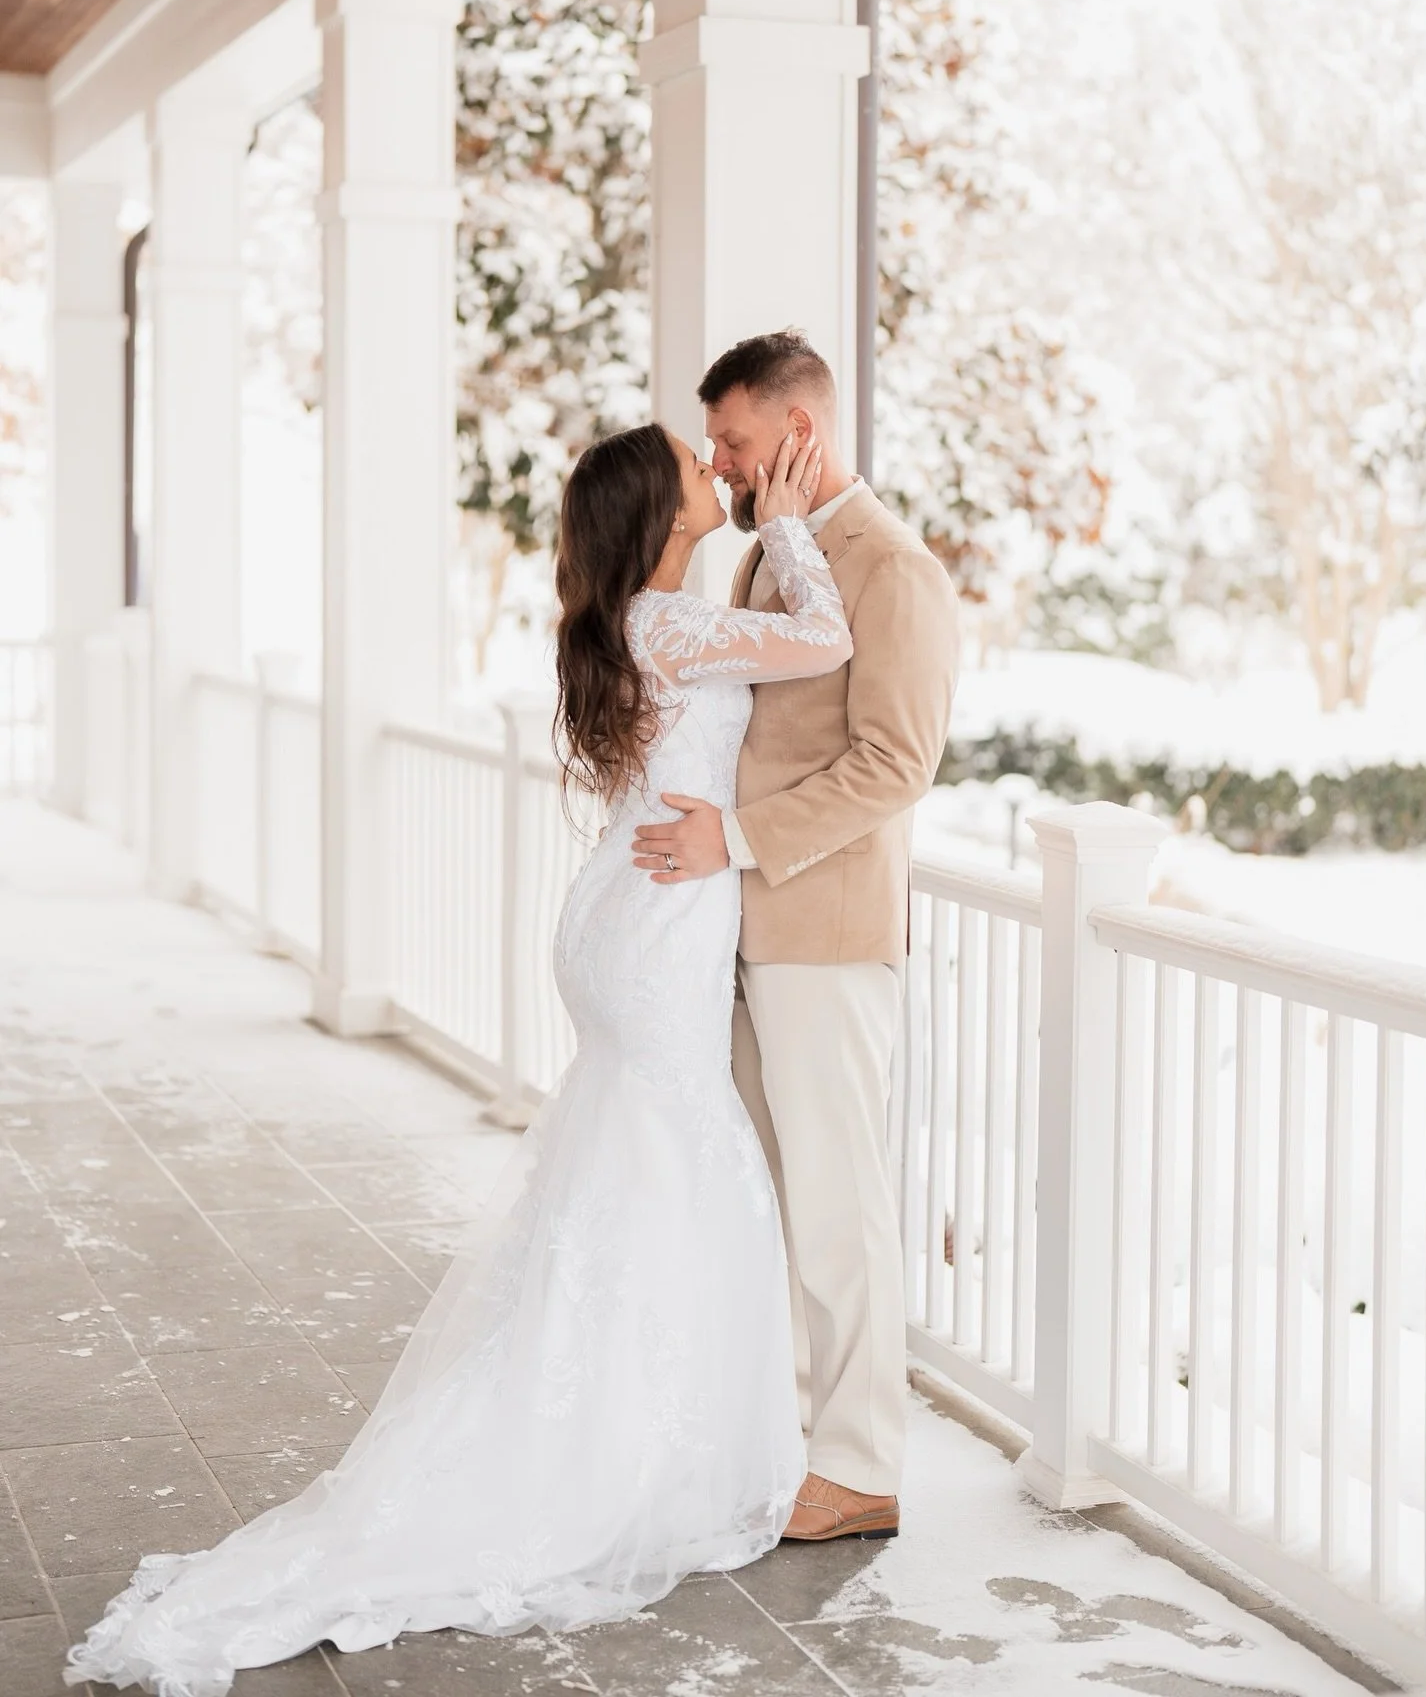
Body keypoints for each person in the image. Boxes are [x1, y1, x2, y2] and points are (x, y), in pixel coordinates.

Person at [65, 421, 851, 1697]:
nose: (715, 467)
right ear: (660, 512)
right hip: (658, 926)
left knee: (636, 1175)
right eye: (694, 462)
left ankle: (620, 1421)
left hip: (631, 913)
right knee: (677, 1168)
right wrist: (797, 523)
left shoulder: (647, 619)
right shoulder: (667, 621)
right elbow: (826, 641)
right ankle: (616, 1448)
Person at [632, 331, 962, 1543]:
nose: (718, 462)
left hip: (823, 931)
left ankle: (862, 1465)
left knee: (837, 1204)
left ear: (799, 432)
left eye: (733, 440)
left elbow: (895, 765)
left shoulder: (894, 570)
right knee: (770, 1199)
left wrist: (735, 839)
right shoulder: (767, 559)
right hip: (739, 929)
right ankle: (791, 1439)